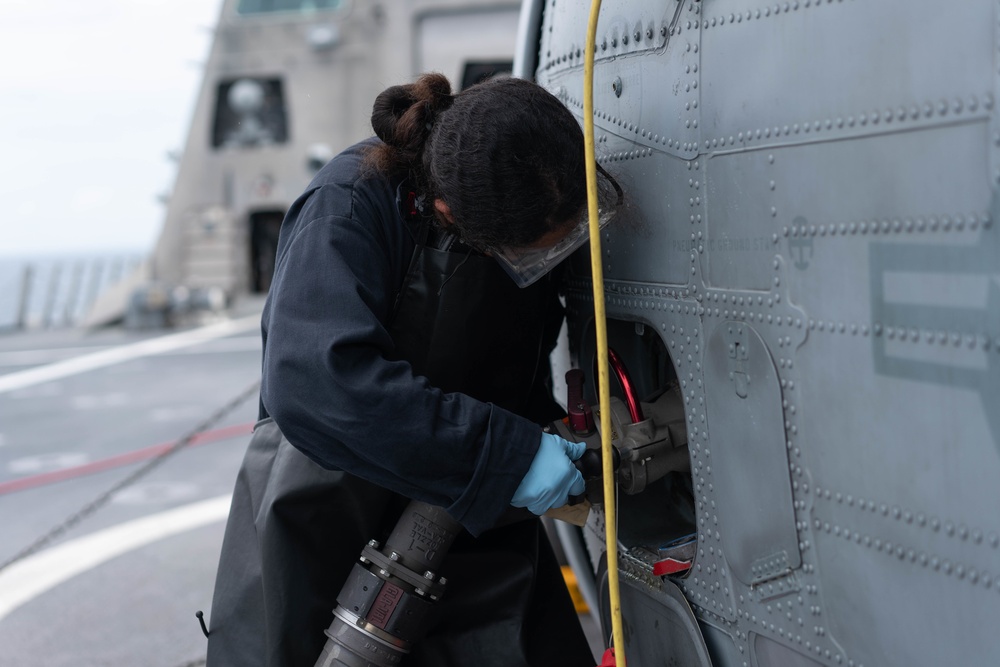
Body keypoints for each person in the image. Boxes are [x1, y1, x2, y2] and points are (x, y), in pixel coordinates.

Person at [205, 73, 604, 667]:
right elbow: (318, 382)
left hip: (472, 508)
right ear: (447, 213)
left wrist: (547, 438)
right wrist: (505, 456)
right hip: (333, 511)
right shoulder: (347, 205)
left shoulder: (524, 186)